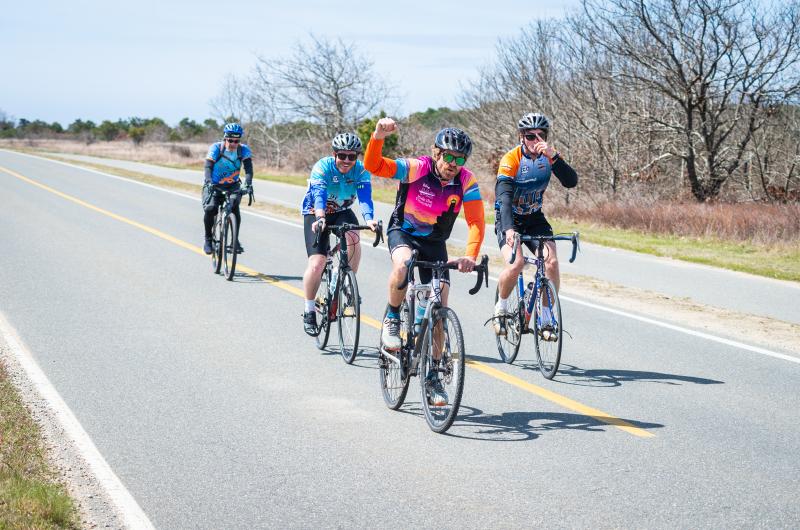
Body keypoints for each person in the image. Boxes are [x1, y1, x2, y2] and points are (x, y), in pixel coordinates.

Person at [365, 117, 485, 406]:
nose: (453, 163)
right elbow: (374, 166)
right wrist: (378, 136)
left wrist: (470, 255)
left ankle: (433, 377)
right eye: (448, 156)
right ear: (436, 152)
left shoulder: (466, 180)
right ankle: (393, 317)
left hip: (435, 243)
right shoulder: (417, 168)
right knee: (404, 266)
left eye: (459, 158)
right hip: (403, 233)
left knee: (440, 303)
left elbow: (476, 221)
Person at [493, 113, 578, 336]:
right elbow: (503, 198)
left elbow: (571, 182)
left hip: (534, 217)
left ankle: (548, 317)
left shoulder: (549, 158)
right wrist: (509, 229)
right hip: (509, 217)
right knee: (516, 263)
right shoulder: (511, 159)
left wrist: (554, 157)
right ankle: (501, 307)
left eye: (541, 135)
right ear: (522, 137)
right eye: (531, 136)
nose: (536, 140)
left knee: (551, 262)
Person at [301, 132, 378, 335]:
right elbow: (319, 195)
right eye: (342, 156)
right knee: (317, 264)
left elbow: (364, 198)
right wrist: (319, 217)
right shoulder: (323, 167)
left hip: (342, 212)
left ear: (357, 157)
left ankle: (345, 279)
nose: (346, 160)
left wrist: (369, 219)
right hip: (316, 213)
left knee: (353, 236)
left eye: (351, 157)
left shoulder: (361, 171)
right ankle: (309, 310)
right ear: (334, 154)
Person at [202, 123, 253, 255]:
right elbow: (208, 167)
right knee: (211, 208)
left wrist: (248, 183)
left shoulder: (243, 150)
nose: (233, 143)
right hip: (214, 184)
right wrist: (208, 181)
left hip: (233, 185)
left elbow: (248, 170)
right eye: (230, 140)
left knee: (234, 206)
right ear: (225, 138)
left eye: (236, 141)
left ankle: (235, 240)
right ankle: (208, 239)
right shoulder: (216, 148)